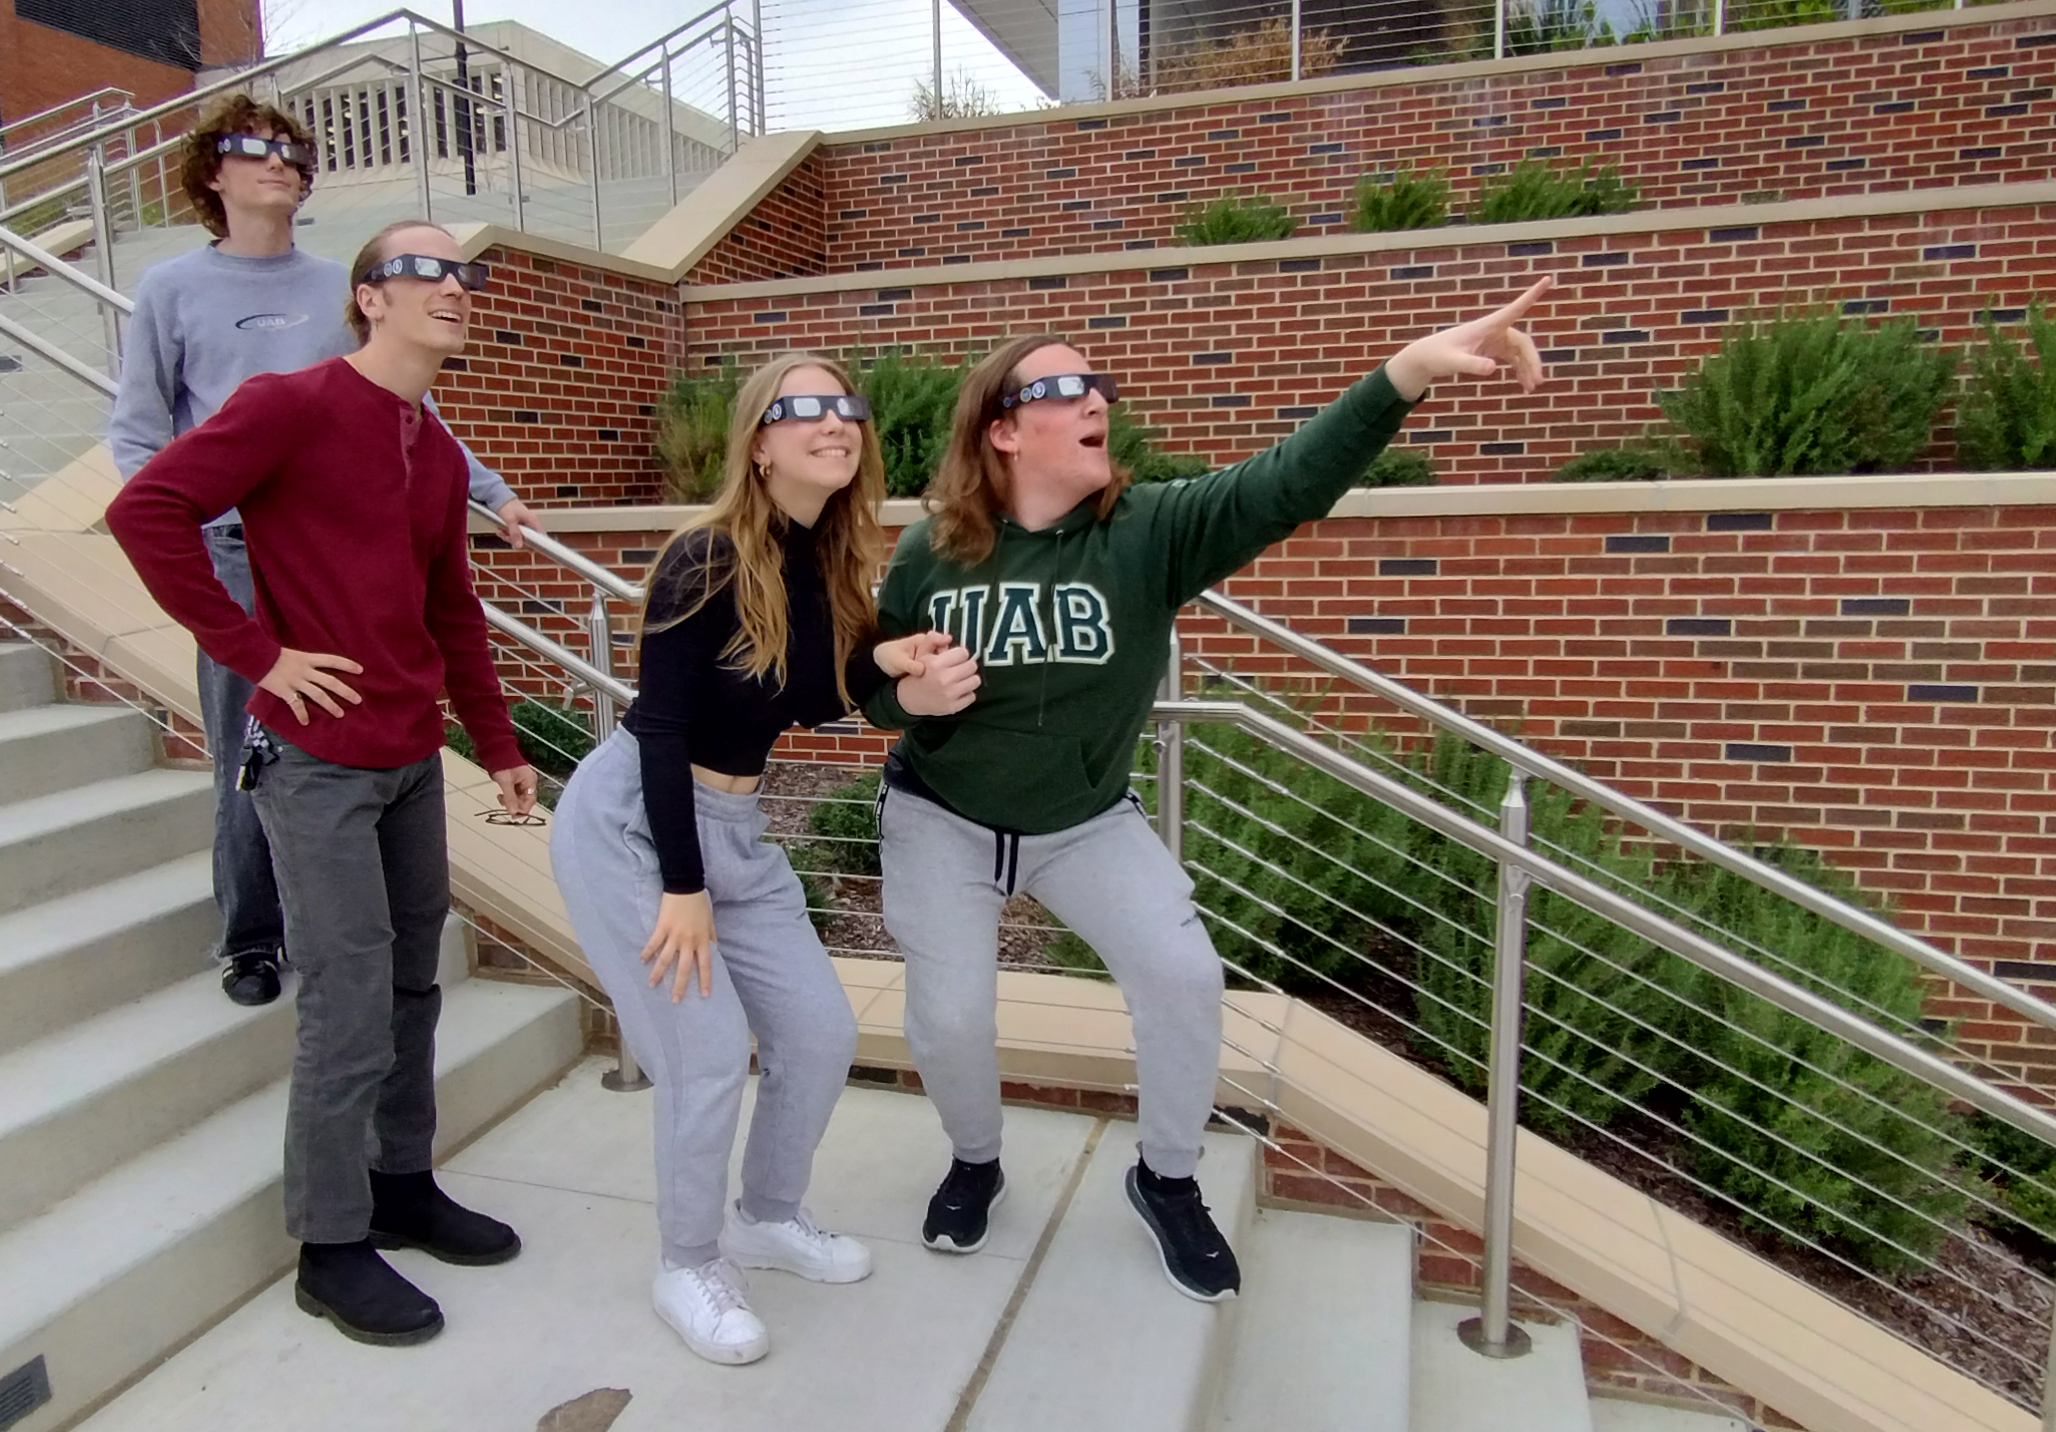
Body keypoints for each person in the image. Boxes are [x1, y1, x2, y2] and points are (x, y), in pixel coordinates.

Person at [863, 280, 1554, 1302]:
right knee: (950, 1014)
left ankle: (1166, 1174)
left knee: (1184, 978)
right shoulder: (933, 551)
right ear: (1003, 430)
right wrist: (907, 693)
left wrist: (1403, 374)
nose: (1095, 395)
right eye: (1064, 385)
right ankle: (975, 1159)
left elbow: (1286, 482)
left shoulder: (1148, 530)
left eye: (1096, 379)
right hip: (940, 818)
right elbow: (872, 695)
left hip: (1084, 822)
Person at [107, 219, 539, 1348]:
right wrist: (258, 654)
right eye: (424, 269)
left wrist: (495, 745)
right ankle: (329, 1243)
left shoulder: (437, 451)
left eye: (464, 272)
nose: (453, 286)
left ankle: (401, 1183)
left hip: (408, 757)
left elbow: (452, 608)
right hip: (313, 762)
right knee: (346, 1000)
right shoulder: (289, 405)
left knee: (410, 986)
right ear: (367, 297)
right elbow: (144, 510)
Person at [549, 354, 975, 1366]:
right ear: (760, 439)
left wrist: (889, 663)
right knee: (703, 1053)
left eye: (847, 408)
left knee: (821, 1034)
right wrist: (681, 887)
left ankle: (765, 1214)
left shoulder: (823, 554)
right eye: (807, 409)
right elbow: (658, 728)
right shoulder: (705, 556)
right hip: (636, 830)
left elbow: (805, 698)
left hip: (734, 830)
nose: (836, 422)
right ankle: (686, 1260)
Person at [107, 93, 542, 1009]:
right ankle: (253, 938)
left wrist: (490, 492)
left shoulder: (341, 283)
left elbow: (402, 409)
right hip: (229, 541)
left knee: (355, 742)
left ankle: (349, 932)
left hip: (336, 540)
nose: (278, 162)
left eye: (294, 151)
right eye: (252, 148)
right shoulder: (173, 289)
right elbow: (144, 444)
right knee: (254, 749)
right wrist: (196, 555)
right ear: (209, 172)